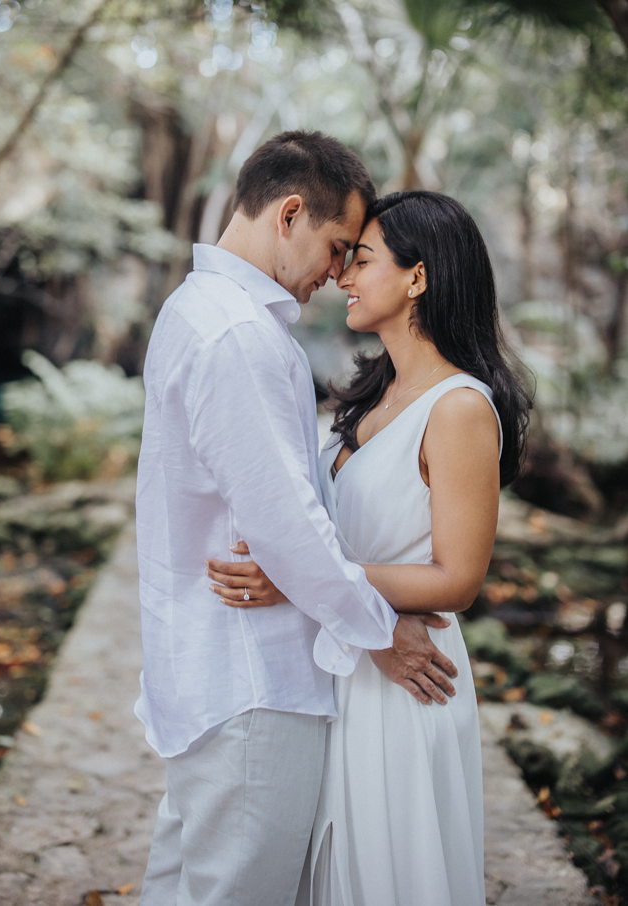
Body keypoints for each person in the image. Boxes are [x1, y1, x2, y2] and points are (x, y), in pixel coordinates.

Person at [135, 135, 459, 906]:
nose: (338, 272)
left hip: (207, 668)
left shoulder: (197, 311)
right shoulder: (240, 336)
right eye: (337, 245)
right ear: (288, 214)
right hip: (253, 679)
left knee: (185, 889)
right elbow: (285, 525)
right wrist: (379, 630)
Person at [207, 191, 531, 906]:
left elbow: (456, 579)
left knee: (388, 876)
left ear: (417, 278)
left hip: (406, 687)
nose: (343, 276)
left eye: (362, 260)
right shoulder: (368, 397)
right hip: (345, 663)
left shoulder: (458, 409)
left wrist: (299, 578)